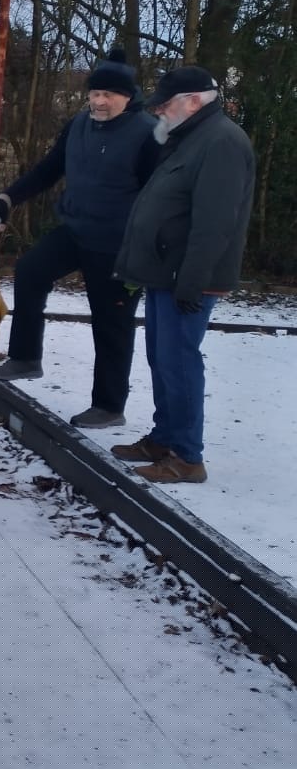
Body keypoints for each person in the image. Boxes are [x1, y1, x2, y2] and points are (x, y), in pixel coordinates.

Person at [0, 46, 159, 428]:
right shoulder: (79, 125)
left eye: (108, 95)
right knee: (30, 271)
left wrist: (152, 247)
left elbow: (160, 195)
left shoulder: (147, 134)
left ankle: (109, 406)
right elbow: (48, 170)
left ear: (128, 97)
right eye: (95, 93)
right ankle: (25, 358)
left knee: (111, 323)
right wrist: (7, 199)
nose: (99, 101)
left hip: (119, 243)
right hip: (76, 229)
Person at [110, 66, 255, 484]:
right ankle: (164, 439)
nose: (158, 110)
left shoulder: (222, 142)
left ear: (193, 101)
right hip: (166, 271)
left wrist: (193, 280)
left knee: (179, 362)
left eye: (166, 103)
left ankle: (187, 457)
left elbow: (215, 223)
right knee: (162, 358)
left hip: (188, 277)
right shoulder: (189, 137)